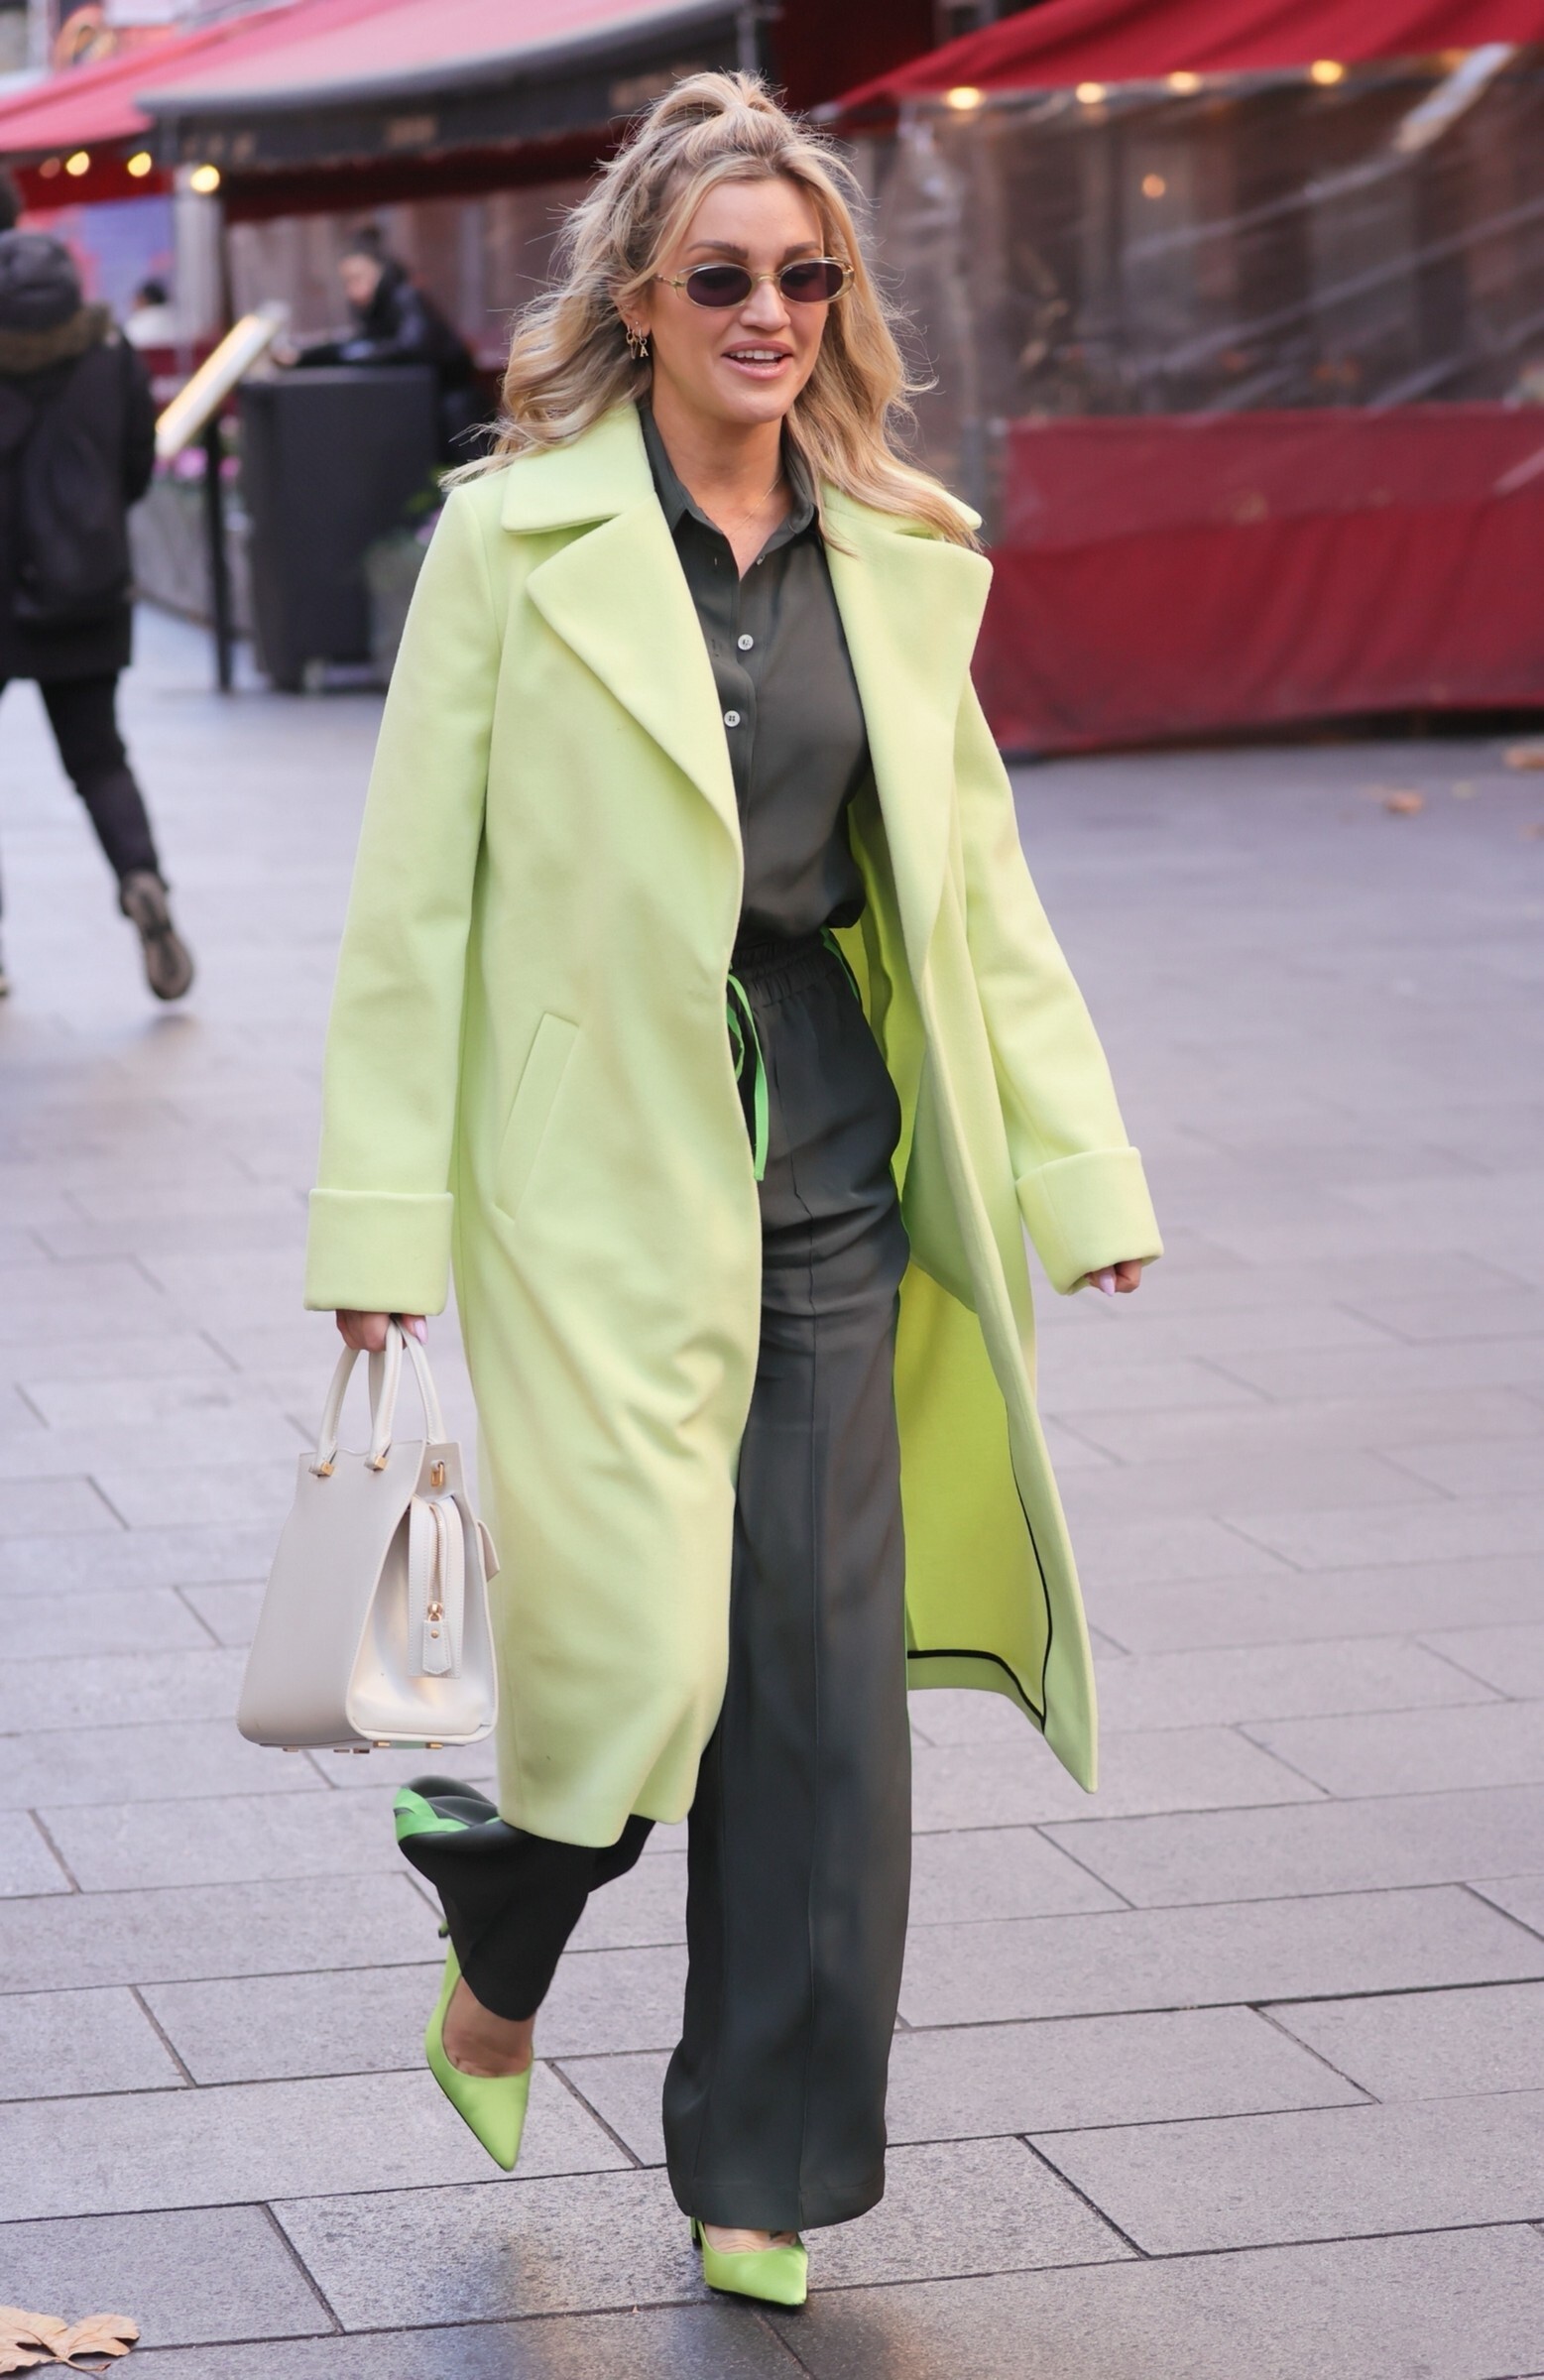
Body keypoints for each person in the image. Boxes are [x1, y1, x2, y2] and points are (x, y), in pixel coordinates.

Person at [303, 73, 1159, 2307]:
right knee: (642, 1660)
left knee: (815, 1691)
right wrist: (376, 1227)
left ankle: (760, 2168)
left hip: (831, 1153)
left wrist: (1076, 1166)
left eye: (806, 275)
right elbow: (410, 907)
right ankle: (508, 1911)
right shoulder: (511, 547)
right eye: (721, 278)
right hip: (586, 1166)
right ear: (640, 301)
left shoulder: (904, 559)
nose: (768, 310)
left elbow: (977, 893)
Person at [0, 231, 193, 1002]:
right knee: (99, 759)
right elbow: (136, 465)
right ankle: (140, 875)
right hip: (84, 588)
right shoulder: (108, 350)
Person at [289, 225, 480, 457]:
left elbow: (413, 346)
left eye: (357, 278)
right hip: (421, 409)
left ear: (381, 271)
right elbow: (354, 344)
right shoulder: (377, 311)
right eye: (347, 282)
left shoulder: (406, 297)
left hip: (451, 412)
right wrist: (305, 357)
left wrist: (358, 356)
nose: (353, 290)